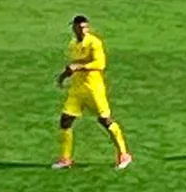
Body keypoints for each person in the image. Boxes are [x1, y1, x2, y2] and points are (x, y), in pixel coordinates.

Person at [54, 15, 132, 170]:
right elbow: (73, 65)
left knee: (105, 120)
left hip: (93, 89)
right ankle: (66, 158)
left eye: (85, 27)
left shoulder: (95, 42)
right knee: (65, 120)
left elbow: (100, 63)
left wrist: (79, 67)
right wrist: (63, 76)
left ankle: (124, 154)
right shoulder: (73, 44)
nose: (83, 30)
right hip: (77, 90)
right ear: (74, 28)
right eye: (79, 27)